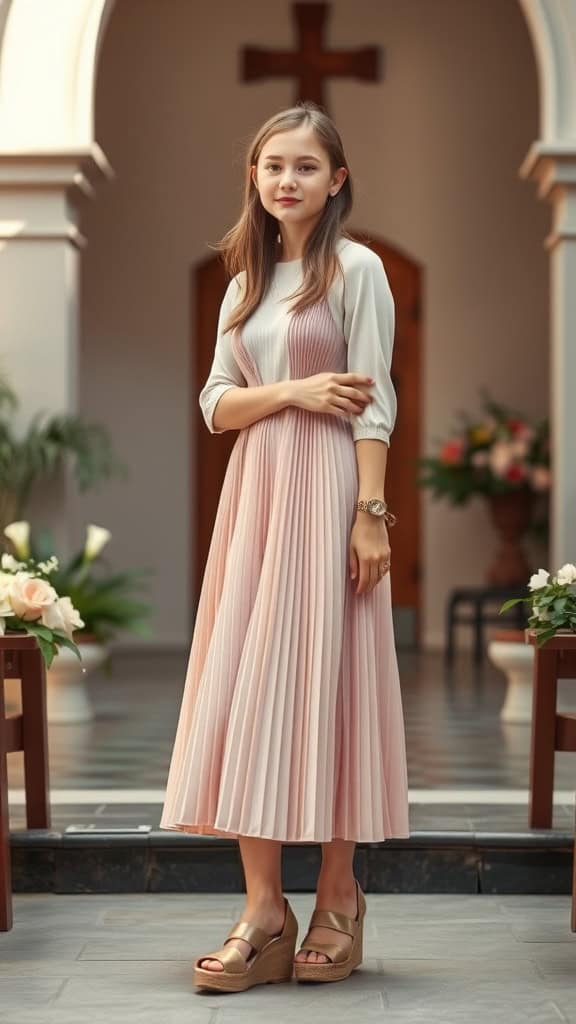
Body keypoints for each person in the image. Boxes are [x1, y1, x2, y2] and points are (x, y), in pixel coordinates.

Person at [159, 101, 410, 993]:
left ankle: (338, 895)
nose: (287, 180)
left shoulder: (358, 269)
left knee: (330, 677)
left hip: (334, 490)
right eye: (272, 166)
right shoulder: (241, 284)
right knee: (247, 682)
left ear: (336, 179)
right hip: (258, 499)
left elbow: (374, 399)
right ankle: (263, 910)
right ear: (255, 180)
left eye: (305, 166)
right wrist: (296, 390)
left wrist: (371, 511)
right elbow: (215, 405)